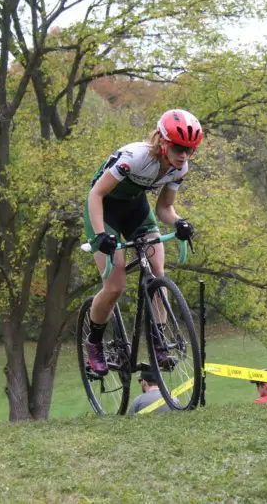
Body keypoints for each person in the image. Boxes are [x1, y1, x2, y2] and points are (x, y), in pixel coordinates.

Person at [83, 109, 203, 376]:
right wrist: (101, 234)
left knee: (158, 274)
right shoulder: (135, 158)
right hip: (103, 209)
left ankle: (159, 342)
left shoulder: (179, 168)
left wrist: (179, 222)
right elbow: (96, 194)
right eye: (179, 147)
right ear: (163, 141)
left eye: (190, 150)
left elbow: (164, 209)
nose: (184, 155)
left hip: (136, 211)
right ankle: (94, 343)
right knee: (115, 287)